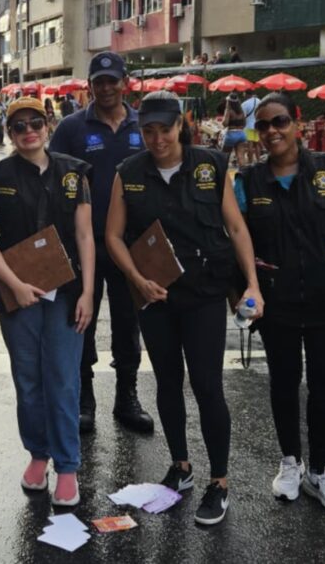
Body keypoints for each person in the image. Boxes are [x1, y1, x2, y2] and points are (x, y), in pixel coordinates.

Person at [104, 90, 262, 526]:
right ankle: (181, 465)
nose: (158, 140)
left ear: (181, 125)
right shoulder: (129, 173)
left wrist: (251, 284)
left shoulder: (210, 165)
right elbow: (113, 236)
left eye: (165, 130)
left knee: (208, 386)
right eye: (149, 131)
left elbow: (235, 227)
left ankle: (220, 481)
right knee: (168, 382)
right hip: (155, 294)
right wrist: (136, 279)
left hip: (204, 293)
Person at [234, 92, 325, 513]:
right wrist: (246, 291)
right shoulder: (249, 181)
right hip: (278, 302)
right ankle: (290, 461)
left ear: (297, 125)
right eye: (264, 125)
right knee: (284, 383)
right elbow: (238, 240)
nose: (272, 131)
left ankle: (322, 470)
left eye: (280, 122)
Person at [0, 97, 95, 507]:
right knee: (27, 380)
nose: (29, 131)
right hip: (18, 295)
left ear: (48, 125)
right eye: (19, 126)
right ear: (9, 133)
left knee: (63, 379)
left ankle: (67, 465)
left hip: (67, 292)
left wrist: (88, 293)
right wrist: (14, 284)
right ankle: (38, 454)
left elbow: (85, 236)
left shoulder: (74, 173)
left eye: (36, 123)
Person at [49, 51, 154, 435]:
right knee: (82, 321)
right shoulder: (71, 128)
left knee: (129, 323)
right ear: (90, 86)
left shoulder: (144, 125)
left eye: (112, 81)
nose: (106, 88)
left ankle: (127, 397)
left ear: (125, 82)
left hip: (131, 245)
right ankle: (84, 399)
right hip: (85, 245)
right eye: (99, 82)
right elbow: (55, 180)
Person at [222, 93, 248, 165]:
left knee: (225, 156)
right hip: (241, 134)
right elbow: (244, 123)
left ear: (229, 102)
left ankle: (223, 170)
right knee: (241, 156)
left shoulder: (229, 110)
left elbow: (225, 123)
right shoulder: (241, 111)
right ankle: (244, 171)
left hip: (231, 135)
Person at [241, 89, 261, 165]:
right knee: (257, 144)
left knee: (250, 144)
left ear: (246, 94)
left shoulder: (244, 104)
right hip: (257, 125)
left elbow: (243, 116)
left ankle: (250, 161)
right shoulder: (259, 101)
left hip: (248, 125)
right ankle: (259, 160)